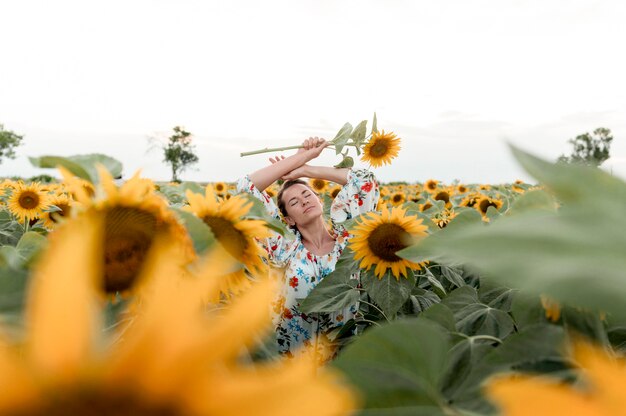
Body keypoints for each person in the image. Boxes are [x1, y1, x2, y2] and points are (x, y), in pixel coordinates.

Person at [236, 137, 379, 357]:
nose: (303, 201)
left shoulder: (349, 242)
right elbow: (246, 188)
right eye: (293, 202)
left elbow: (364, 180)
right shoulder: (282, 247)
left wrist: (308, 170)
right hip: (292, 366)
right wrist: (300, 156)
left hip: (344, 364)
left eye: (307, 194)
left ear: (320, 201)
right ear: (289, 220)